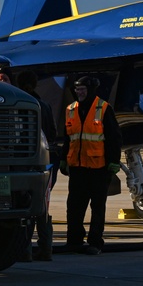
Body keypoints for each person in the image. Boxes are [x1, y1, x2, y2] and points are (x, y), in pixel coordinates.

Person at [61, 75, 121, 255]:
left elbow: (114, 138)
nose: (79, 93)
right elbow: (68, 138)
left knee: (97, 207)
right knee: (74, 207)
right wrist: (64, 159)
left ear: (91, 90)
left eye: (82, 90)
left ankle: (95, 242)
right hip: (77, 168)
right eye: (77, 89)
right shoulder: (70, 109)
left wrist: (113, 162)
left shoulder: (103, 109)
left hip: (98, 168)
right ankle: (73, 240)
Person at [16, 70, 59, 261]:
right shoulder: (45, 106)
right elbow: (52, 136)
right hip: (46, 163)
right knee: (43, 206)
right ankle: (45, 248)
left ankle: (25, 250)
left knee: (24, 206)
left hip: (25, 163)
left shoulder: (19, 105)